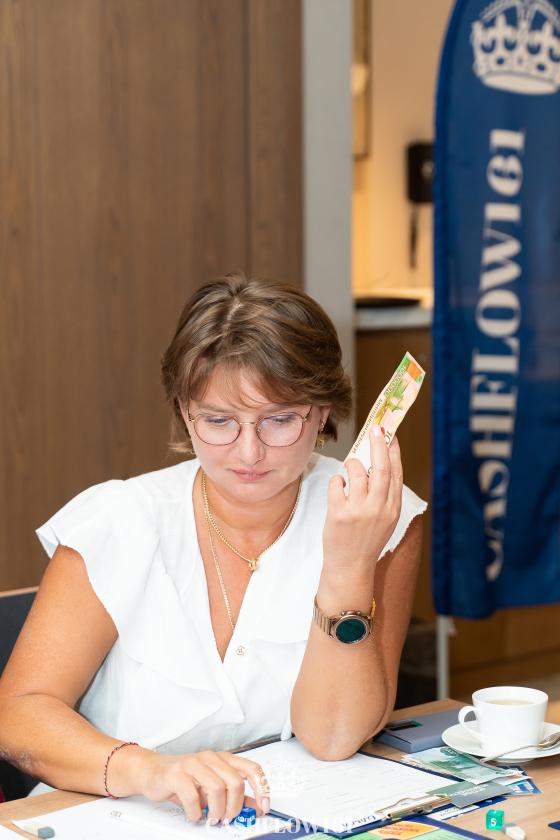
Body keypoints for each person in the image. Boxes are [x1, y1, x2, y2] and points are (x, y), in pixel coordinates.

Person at [0, 274, 425, 823]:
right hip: (110, 815)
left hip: (279, 817)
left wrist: (348, 565)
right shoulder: (119, 521)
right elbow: (18, 715)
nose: (248, 452)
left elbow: (334, 737)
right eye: (219, 421)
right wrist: (150, 770)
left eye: (279, 419)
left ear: (322, 411)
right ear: (185, 412)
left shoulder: (378, 515)